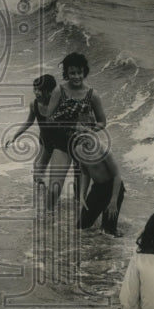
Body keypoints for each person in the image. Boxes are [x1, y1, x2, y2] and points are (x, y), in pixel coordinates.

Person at [43, 52, 106, 209]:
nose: (76, 76)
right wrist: (72, 125)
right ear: (66, 73)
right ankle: (46, 218)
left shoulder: (92, 94)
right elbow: (48, 119)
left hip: (83, 144)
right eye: (72, 73)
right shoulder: (59, 91)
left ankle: (78, 225)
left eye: (79, 72)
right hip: (62, 142)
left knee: (80, 192)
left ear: (84, 71)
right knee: (54, 187)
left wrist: (91, 130)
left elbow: (102, 122)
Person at [4, 74, 57, 186]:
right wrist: (14, 136)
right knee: (37, 167)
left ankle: (46, 190)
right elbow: (29, 122)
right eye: (35, 89)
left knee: (42, 169)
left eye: (40, 90)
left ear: (50, 91)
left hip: (56, 141)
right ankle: (40, 191)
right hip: (44, 139)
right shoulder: (34, 104)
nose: (36, 92)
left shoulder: (57, 104)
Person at [71, 125, 125, 236]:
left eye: (85, 132)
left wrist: (113, 201)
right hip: (97, 188)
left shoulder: (103, 151)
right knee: (81, 227)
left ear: (92, 132)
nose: (82, 136)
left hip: (113, 188)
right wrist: (82, 195)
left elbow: (117, 176)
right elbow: (85, 173)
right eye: (79, 133)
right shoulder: (78, 150)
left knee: (108, 232)